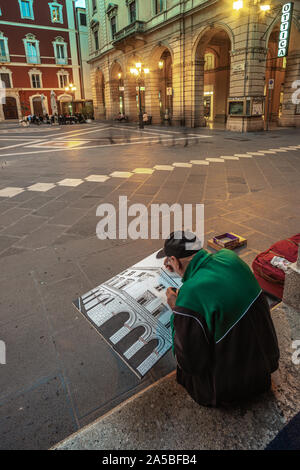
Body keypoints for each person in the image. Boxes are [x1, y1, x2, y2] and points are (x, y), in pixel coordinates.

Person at [157, 231, 279, 407]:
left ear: (174, 261)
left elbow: (189, 363)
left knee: (184, 371)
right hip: (266, 365)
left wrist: (177, 310)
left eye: (170, 260)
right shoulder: (229, 257)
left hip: (233, 387)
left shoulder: (190, 293)